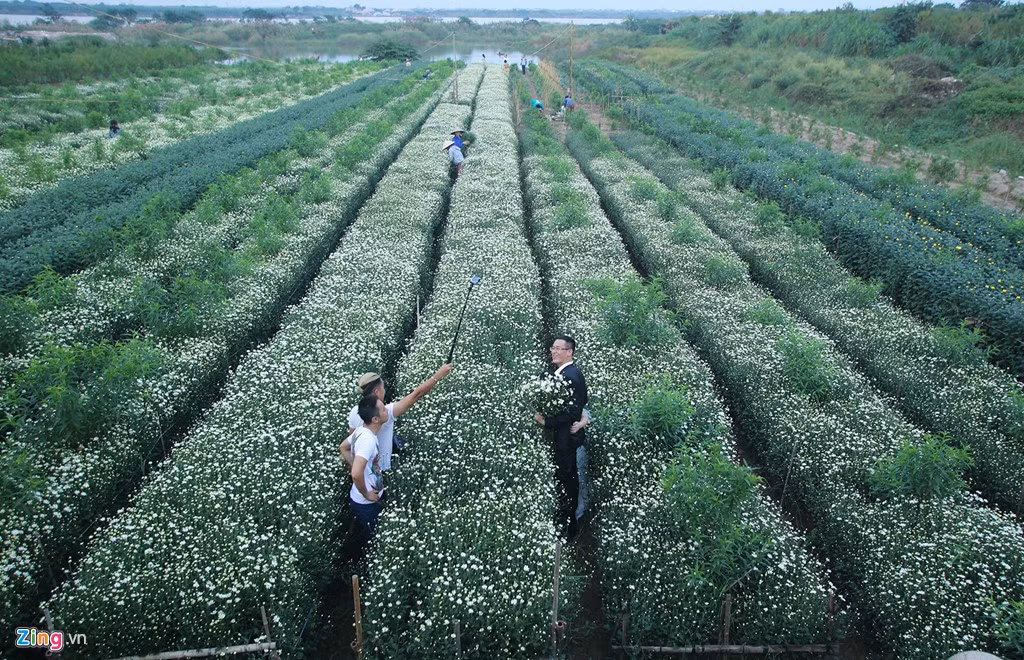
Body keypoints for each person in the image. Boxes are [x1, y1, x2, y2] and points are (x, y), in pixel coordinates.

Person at [340, 362, 452, 472]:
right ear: (376, 392)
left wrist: (356, 467)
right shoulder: (384, 414)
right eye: (383, 388)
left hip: (365, 469)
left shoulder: (354, 411)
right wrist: (439, 375)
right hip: (380, 472)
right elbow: (416, 395)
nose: (384, 391)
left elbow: (351, 444)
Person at [535, 335, 588, 540]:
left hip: (565, 440)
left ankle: (569, 527)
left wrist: (547, 422)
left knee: (567, 480)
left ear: (570, 352)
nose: (553, 351)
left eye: (558, 348)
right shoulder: (561, 373)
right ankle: (563, 520)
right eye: (552, 348)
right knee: (563, 479)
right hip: (561, 439)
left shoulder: (571, 375)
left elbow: (574, 411)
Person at [347, 393, 387, 559]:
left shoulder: (361, 431)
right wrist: (366, 493)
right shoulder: (368, 440)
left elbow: (343, 447)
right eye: (383, 409)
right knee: (371, 542)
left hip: (365, 501)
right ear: (375, 419)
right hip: (366, 504)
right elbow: (356, 474)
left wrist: (356, 464)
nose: (387, 411)